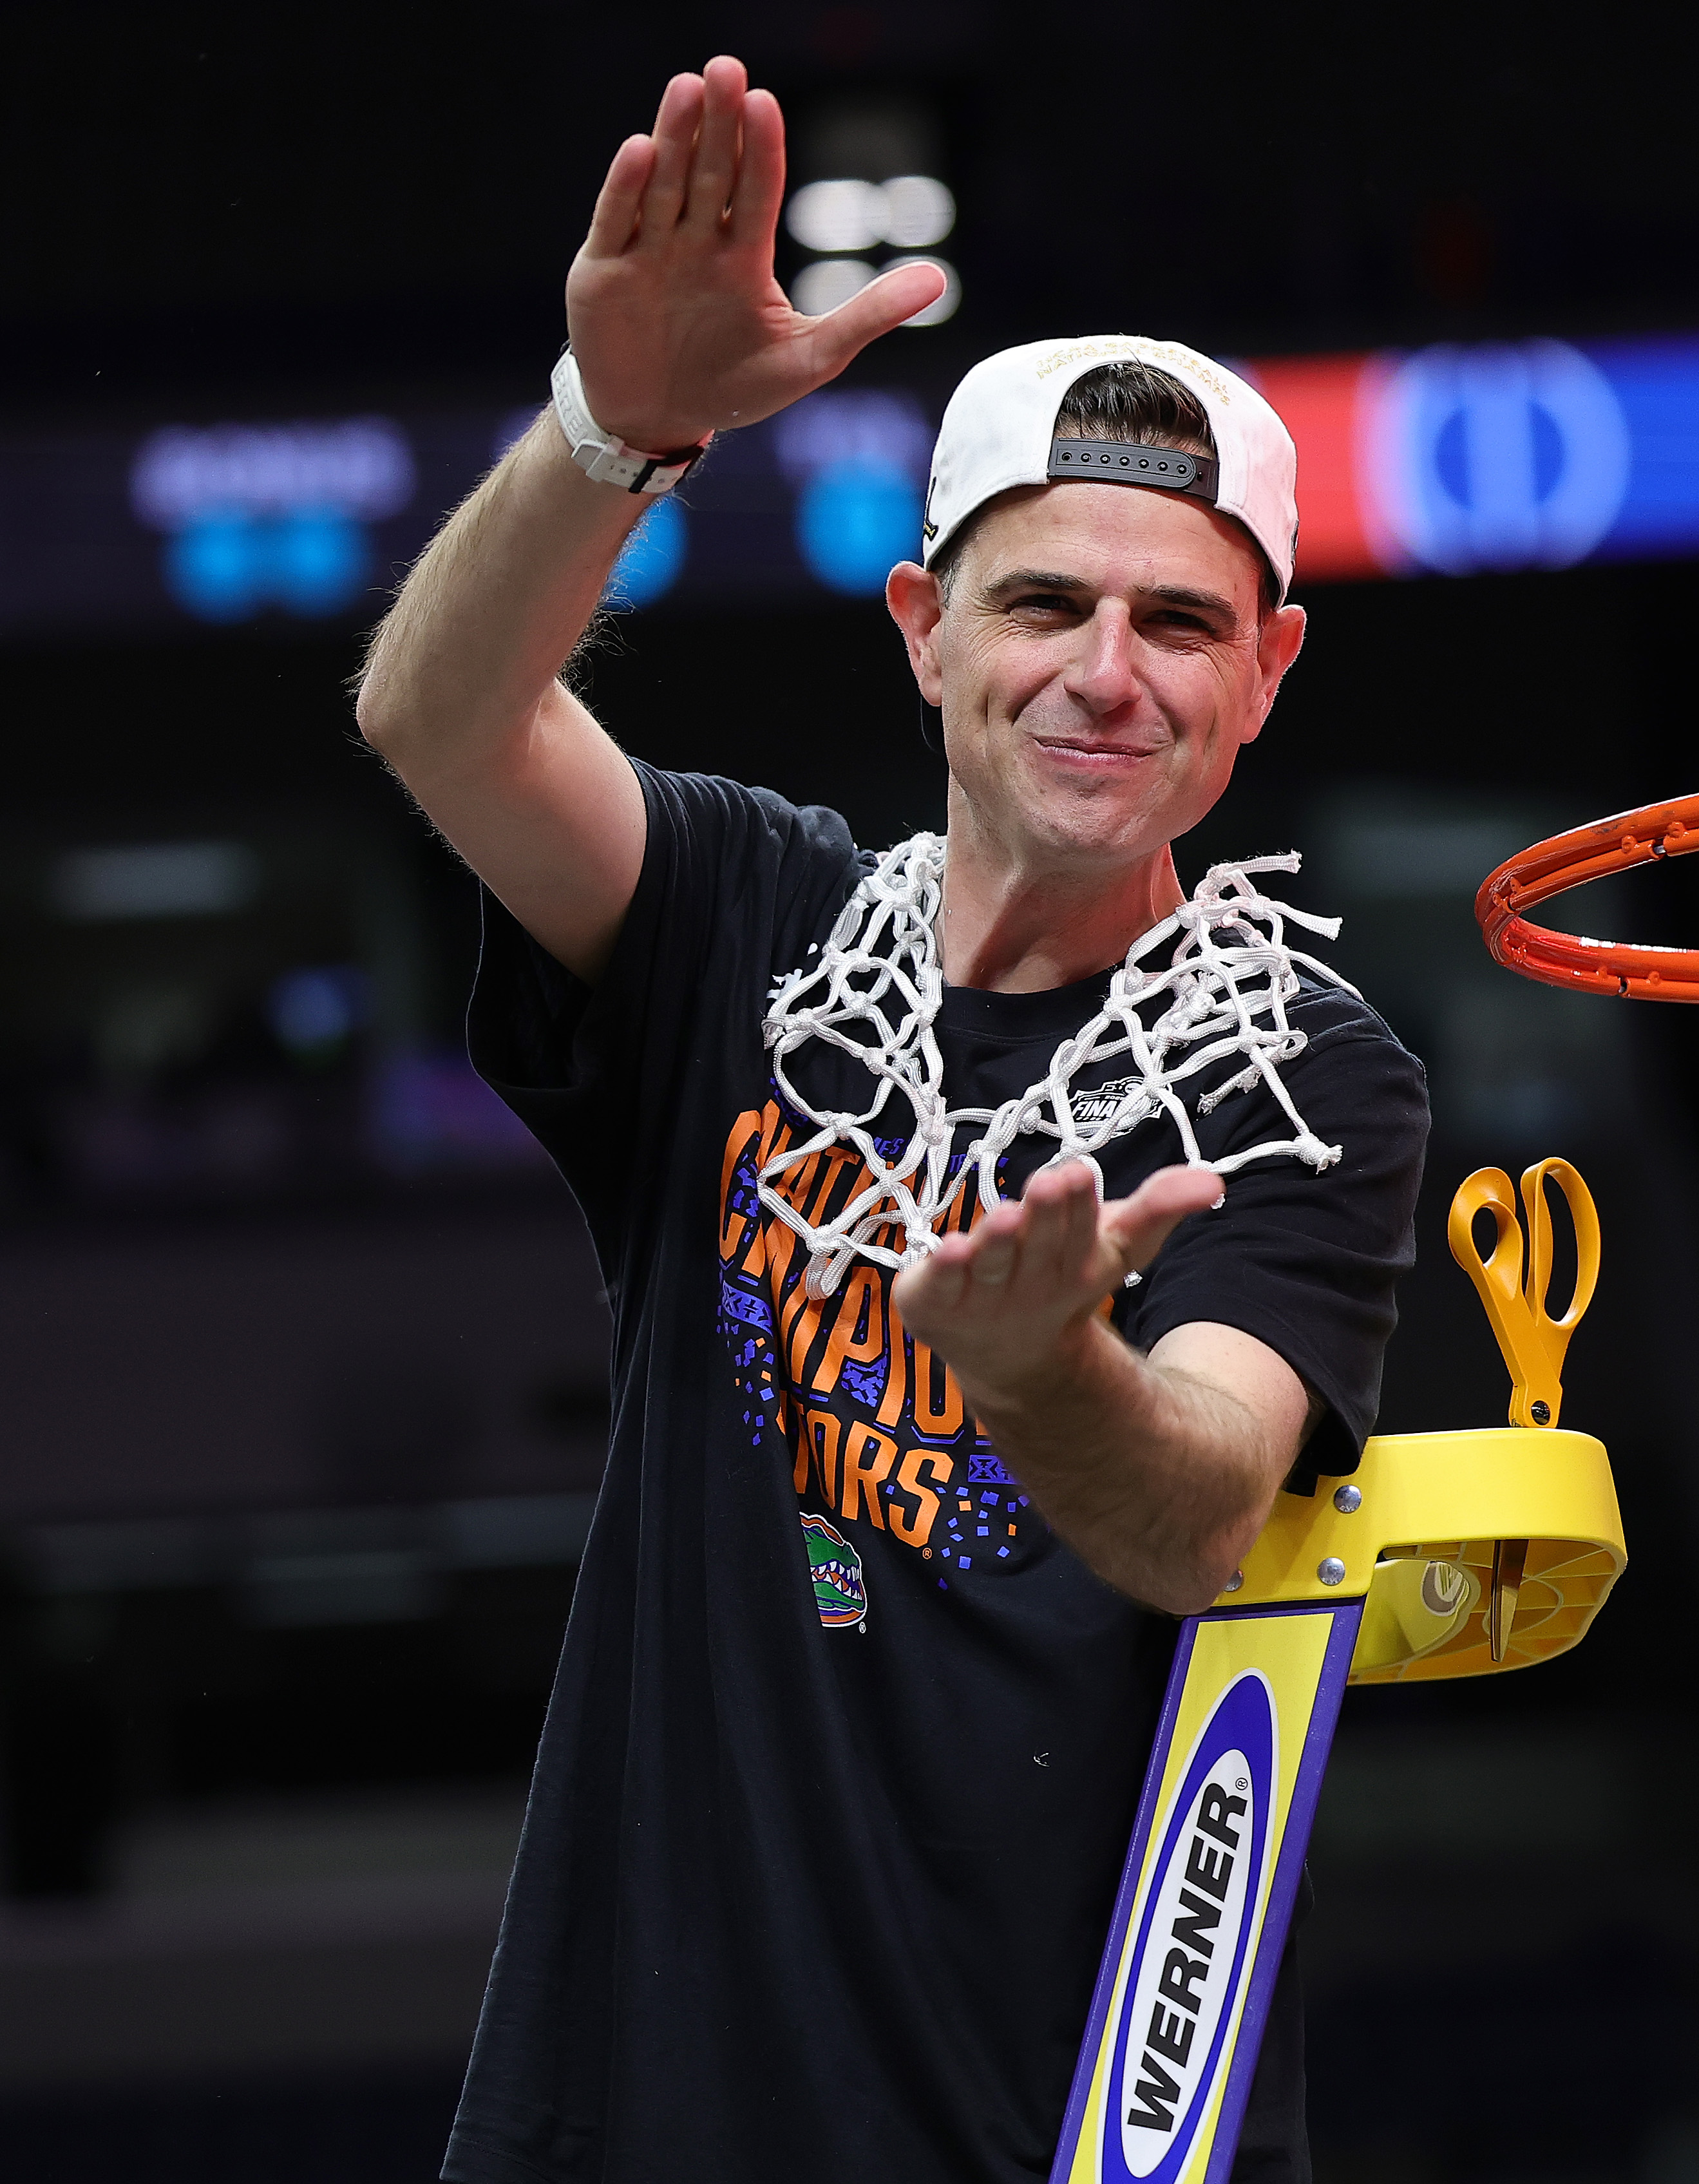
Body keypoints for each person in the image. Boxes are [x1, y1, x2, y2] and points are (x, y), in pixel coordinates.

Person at [355, 54, 1427, 2184]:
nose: (1106, 671)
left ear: (1269, 673)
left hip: (1055, 2142)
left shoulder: (1301, 1066)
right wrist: (610, 431)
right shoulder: (745, 924)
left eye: (1181, 622)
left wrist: (1050, 1378)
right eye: (1043, 604)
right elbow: (435, 718)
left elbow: (1193, 1511)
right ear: (926, 635)